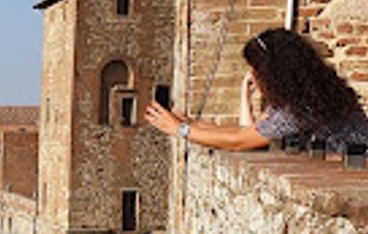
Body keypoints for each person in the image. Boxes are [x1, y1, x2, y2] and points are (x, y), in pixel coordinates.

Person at [144, 28, 368, 152]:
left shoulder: (301, 109)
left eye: (254, 70)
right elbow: (249, 130)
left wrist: (181, 130)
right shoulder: (305, 98)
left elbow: (241, 141)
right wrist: (189, 123)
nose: (251, 75)